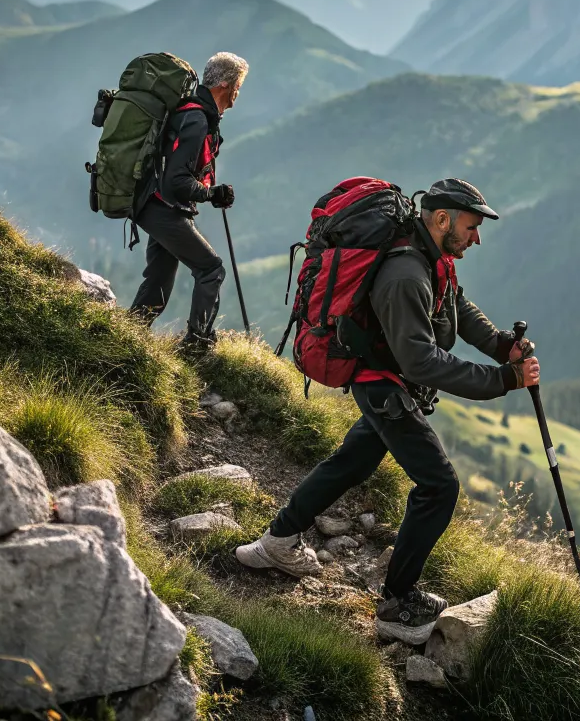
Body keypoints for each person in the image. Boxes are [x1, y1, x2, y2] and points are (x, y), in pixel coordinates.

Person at [236, 178, 540, 644]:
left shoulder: (428, 255)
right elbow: (422, 361)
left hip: (388, 380)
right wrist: (504, 381)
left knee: (351, 462)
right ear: (442, 219)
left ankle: (277, 543)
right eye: (472, 226)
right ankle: (396, 604)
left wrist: (501, 346)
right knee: (439, 486)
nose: (476, 237)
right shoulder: (404, 274)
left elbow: (454, 303)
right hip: (382, 384)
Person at [128, 51, 249, 353]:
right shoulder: (196, 119)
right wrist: (211, 194)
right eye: (238, 85)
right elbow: (177, 181)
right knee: (211, 270)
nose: (238, 92)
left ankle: (127, 335)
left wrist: (209, 192)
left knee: (158, 280)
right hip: (162, 207)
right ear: (224, 84)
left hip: (154, 205)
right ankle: (198, 345)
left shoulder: (195, 113)